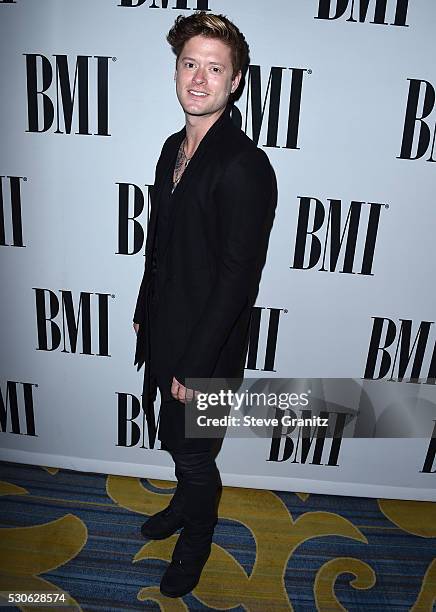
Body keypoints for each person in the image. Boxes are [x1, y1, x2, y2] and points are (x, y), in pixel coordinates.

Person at [132, 11, 277, 598]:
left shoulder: (246, 167)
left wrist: (193, 367)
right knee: (174, 441)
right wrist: (146, 305)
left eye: (214, 68)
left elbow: (238, 280)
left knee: (195, 457)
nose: (199, 78)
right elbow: (160, 241)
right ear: (176, 71)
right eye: (190, 64)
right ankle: (179, 509)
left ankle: (196, 541)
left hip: (206, 351)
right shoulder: (173, 147)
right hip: (165, 331)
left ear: (235, 80)